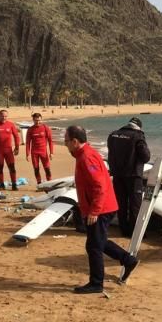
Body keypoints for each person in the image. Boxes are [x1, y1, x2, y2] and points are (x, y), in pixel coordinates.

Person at [64, 125, 138, 294]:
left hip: (102, 208)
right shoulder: (83, 154)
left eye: (66, 141)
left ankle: (97, 283)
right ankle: (128, 260)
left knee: (94, 246)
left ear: (75, 141)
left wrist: (94, 211)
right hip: (100, 206)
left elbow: (100, 185)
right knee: (98, 241)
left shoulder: (86, 157)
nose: (65, 144)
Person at [107, 116, 151, 237]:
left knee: (121, 203)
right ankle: (134, 232)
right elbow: (146, 157)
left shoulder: (113, 135)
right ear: (138, 127)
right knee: (135, 204)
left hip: (117, 175)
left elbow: (111, 153)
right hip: (133, 175)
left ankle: (124, 230)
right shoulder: (138, 136)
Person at [25, 112, 54, 184]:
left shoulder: (45, 128)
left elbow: (50, 141)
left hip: (43, 152)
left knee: (47, 168)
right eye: (36, 120)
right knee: (36, 169)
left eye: (39, 120)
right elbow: (28, 142)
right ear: (33, 120)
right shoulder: (30, 129)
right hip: (34, 152)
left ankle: (49, 183)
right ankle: (39, 184)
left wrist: (51, 152)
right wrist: (27, 154)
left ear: (41, 119)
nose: (38, 122)